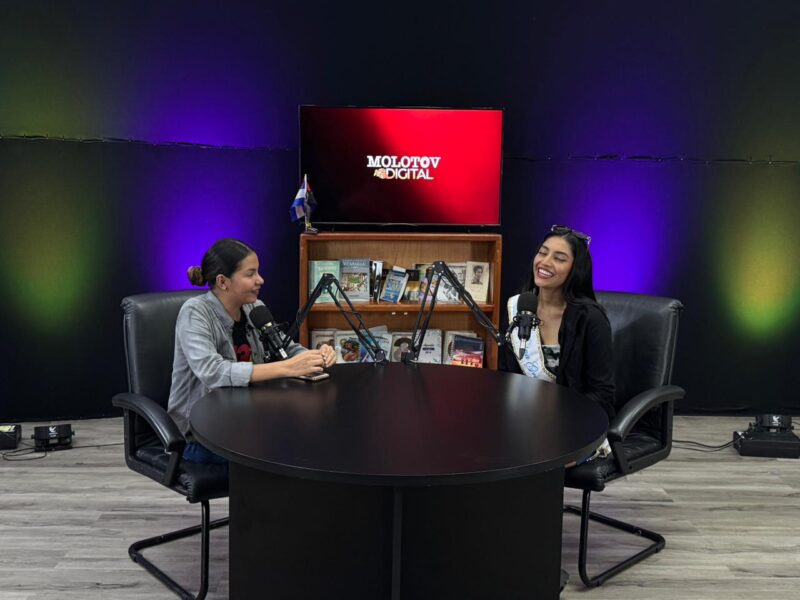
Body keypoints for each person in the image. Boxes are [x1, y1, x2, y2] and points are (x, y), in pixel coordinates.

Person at [167, 238, 337, 464]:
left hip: (249, 420)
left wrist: (315, 356)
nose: (260, 280)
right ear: (223, 281)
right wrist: (287, 368)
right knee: (286, 454)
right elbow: (212, 371)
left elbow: (285, 348)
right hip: (201, 436)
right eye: (250, 274)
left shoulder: (255, 308)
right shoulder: (195, 312)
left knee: (314, 437)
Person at [502, 225, 615, 423]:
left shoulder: (591, 319)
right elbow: (506, 376)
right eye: (542, 253)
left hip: (573, 421)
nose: (545, 262)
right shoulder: (518, 308)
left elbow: (602, 393)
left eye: (559, 258)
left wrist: (555, 414)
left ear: (575, 269)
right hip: (524, 418)